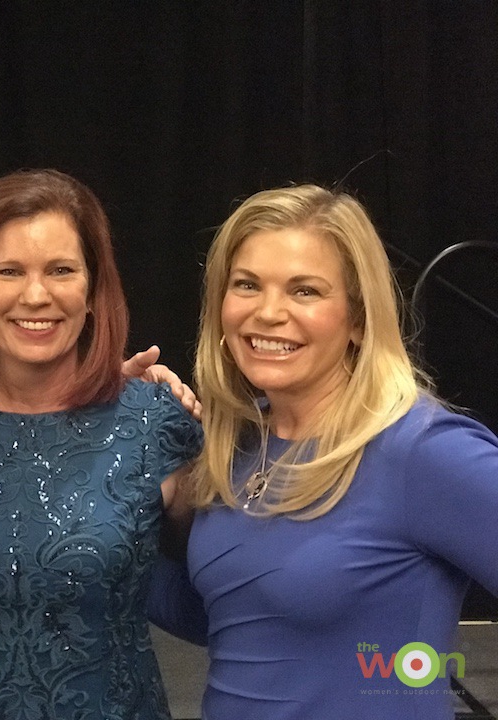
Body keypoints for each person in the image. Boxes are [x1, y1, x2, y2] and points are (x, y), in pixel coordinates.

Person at [147, 184, 498, 719]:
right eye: (247, 285)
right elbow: (234, 624)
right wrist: (122, 520)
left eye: (304, 291)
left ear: (358, 318)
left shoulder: (423, 451)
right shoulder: (235, 446)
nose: (268, 312)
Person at [0, 169, 204, 720]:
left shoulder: (156, 422)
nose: (36, 295)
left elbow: (235, 581)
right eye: (9, 271)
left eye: (60, 270)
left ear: (93, 291)